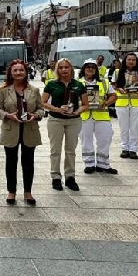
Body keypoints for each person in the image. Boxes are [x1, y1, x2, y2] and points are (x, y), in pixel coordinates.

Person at [0, 59, 44, 206]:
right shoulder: (3, 90)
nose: (18, 73)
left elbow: (41, 109)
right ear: (10, 73)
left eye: (21, 70)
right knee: (11, 162)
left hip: (30, 129)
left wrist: (36, 115)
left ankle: (28, 192)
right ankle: (11, 191)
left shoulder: (33, 90)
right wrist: (8, 115)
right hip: (11, 129)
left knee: (28, 162)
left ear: (26, 72)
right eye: (15, 70)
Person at [40, 58, 88, 192]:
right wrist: (57, 109)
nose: (64, 70)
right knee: (55, 150)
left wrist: (77, 111)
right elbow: (42, 102)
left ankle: (70, 177)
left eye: (66, 67)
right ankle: (55, 177)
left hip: (74, 121)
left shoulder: (78, 85)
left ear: (71, 69)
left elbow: (85, 104)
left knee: (70, 150)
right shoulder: (52, 84)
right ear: (57, 70)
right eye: (61, 68)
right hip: (56, 120)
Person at [78, 59, 117, 174]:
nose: (90, 69)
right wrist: (81, 104)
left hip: (102, 115)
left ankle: (103, 164)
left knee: (105, 139)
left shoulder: (104, 82)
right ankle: (89, 164)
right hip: (85, 116)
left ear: (96, 70)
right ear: (83, 69)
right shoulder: (77, 83)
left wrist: (105, 103)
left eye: (93, 67)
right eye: (88, 67)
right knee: (86, 140)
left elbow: (113, 96)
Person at [112, 53, 138, 160]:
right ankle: (124, 148)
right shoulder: (117, 72)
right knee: (123, 127)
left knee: (134, 127)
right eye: (129, 59)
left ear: (136, 61)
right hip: (122, 102)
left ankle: (133, 149)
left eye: (133, 60)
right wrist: (119, 89)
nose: (131, 62)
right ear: (125, 60)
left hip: (136, 103)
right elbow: (113, 84)